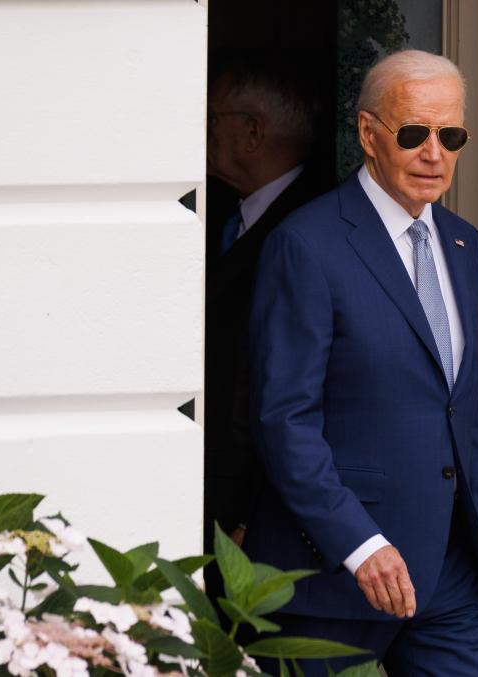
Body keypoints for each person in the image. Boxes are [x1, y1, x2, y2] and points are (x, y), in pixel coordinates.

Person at [246, 50, 478, 675]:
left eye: (451, 137)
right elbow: (283, 421)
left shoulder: (462, 241)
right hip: (335, 575)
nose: (434, 154)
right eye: (414, 134)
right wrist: (359, 545)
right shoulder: (305, 244)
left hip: (451, 575)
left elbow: (467, 411)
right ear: (368, 134)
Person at [203, 61, 324, 558]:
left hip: (250, 503)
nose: (202, 131)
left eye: (212, 118)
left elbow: (297, 386)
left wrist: (251, 513)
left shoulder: (312, 227)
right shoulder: (216, 211)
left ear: (252, 132)